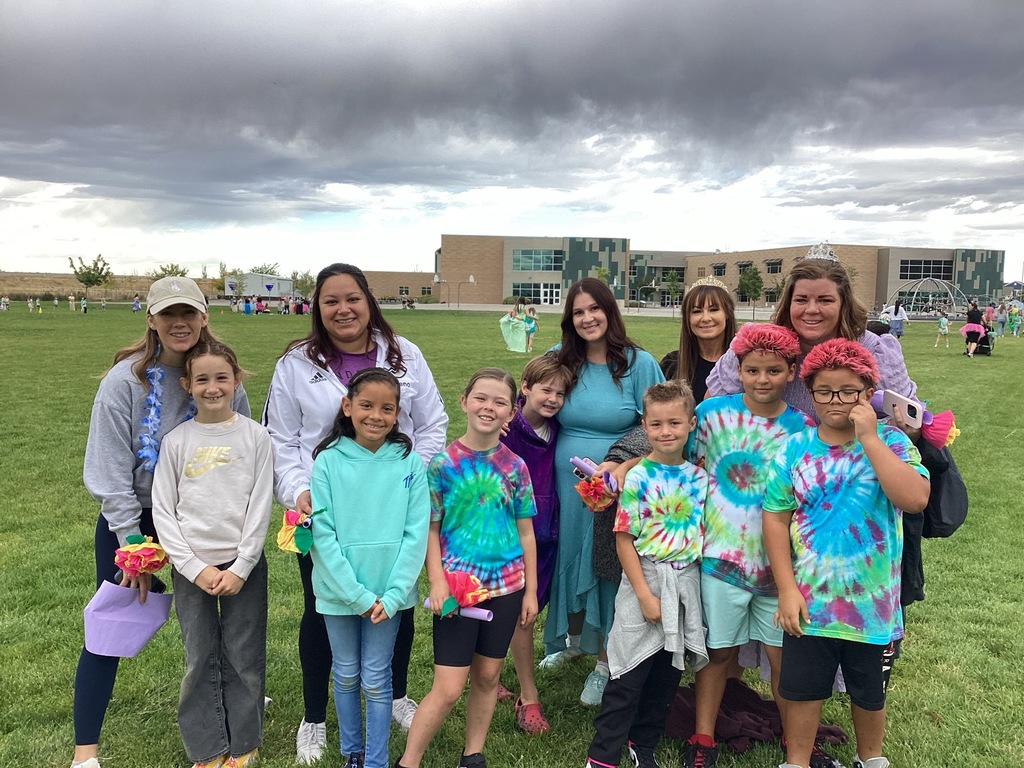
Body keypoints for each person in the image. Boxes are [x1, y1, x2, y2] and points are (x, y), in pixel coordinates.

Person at [262, 262, 448, 763]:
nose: (343, 309)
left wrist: (408, 479)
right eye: (330, 301)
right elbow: (279, 437)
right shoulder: (296, 363)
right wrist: (299, 491)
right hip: (325, 509)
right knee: (322, 609)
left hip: (391, 510)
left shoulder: (404, 354)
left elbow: (432, 423)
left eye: (352, 298)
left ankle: (397, 694)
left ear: (369, 301)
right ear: (317, 309)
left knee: (397, 603)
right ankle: (315, 717)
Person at [70, 276, 249, 768]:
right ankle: (86, 751)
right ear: (150, 319)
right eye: (168, 314)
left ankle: (231, 707)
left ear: (204, 317)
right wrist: (133, 542)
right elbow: (107, 469)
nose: (179, 323)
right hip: (136, 516)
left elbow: (242, 448)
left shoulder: (221, 376)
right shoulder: (124, 381)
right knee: (111, 622)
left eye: (188, 313)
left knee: (223, 623)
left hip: (206, 515)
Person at [763, 338, 930, 768]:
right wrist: (786, 588)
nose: (836, 401)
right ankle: (796, 760)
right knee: (802, 691)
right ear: (811, 391)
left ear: (868, 392)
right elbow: (775, 519)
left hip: (871, 605)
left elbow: (915, 499)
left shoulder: (891, 442)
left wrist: (870, 438)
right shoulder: (795, 449)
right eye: (825, 391)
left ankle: (870, 758)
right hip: (810, 601)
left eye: (849, 391)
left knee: (869, 693)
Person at [682, 324, 816, 768]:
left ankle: (796, 742)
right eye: (753, 369)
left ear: (791, 372)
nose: (763, 379)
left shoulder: (803, 428)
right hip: (719, 558)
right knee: (718, 653)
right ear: (737, 369)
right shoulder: (710, 413)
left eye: (774, 370)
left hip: (780, 567)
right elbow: (682, 460)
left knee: (783, 659)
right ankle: (703, 738)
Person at [397, 368, 538, 768]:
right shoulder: (442, 465)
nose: (488, 407)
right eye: (481, 398)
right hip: (458, 590)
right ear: (464, 401)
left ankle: (472, 753)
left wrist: (529, 590)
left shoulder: (515, 467)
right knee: (448, 686)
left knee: (489, 677)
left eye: (499, 402)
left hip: (507, 588)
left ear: (511, 412)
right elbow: (430, 529)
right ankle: (409, 760)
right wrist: (437, 582)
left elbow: (526, 533)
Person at [541, 277, 665, 707]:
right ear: (569, 319)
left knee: (604, 567)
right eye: (578, 312)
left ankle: (604, 662)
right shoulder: (560, 361)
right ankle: (573, 639)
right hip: (564, 484)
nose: (587, 318)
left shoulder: (638, 362)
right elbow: (536, 399)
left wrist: (619, 467)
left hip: (616, 485)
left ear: (609, 312)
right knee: (568, 560)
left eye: (595, 309)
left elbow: (661, 424)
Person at [152, 341, 272, 768]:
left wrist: (242, 565)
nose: (212, 387)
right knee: (199, 655)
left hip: (244, 567)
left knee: (244, 654)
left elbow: (260, 506)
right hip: (192, 568)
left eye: (221, 377)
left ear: (236, 380)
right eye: (201, 379)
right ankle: (206, 746)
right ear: (187, 385)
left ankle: (244, 743)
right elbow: (165, 510)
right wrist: (192, 566)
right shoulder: (176, 441)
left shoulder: (256, 437)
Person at [308, 368, 430, 768]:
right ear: (347, 407)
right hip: (338, 593)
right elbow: (323, 537)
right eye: (366, 405)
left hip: (389, 597)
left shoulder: (409, 462)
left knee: (377, 678)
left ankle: (375, 760)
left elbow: (416, 534)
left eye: (386, 408)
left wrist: (393, 595)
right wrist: (355, 595)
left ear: (397, 414)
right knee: (344, 674)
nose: (375, 415)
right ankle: (353, 753)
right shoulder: (327, 461)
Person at [585, 380, 709, 768]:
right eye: (656, 425)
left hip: (685, 582)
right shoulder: (637, 477)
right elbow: (624, 538)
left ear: (691, 424)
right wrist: (643, 594)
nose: (665, 432)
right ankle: (602, 756)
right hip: (646, 579)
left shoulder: (700, 478)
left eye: (674, 423)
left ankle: (644, 744)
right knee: (628, 672)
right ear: (644, 425)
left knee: (666, 676)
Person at [707, 258, 917, 421]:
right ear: (789, 303)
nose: (812, 310)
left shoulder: (875, 350)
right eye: (801, 300)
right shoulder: (758, 344)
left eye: (825, 300)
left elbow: (910, 424)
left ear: (844, 304)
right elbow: (712, 406)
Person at [498, 353, 574, 734]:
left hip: (547, 538)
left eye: (561, 393)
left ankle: (489, 672)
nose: (553, 399)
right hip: (508, 541)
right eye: (546, 389)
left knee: (525, 612)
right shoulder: (504, 427)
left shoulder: (560, 428)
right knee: (518, 617)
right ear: (524, 388)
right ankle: (529, 699)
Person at [660, 278, 737, 403]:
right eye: (696, 311)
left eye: (713, 309)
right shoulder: (672, 364)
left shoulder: (745, 363)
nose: (706, 318)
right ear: (687, 318)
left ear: (727, 313)